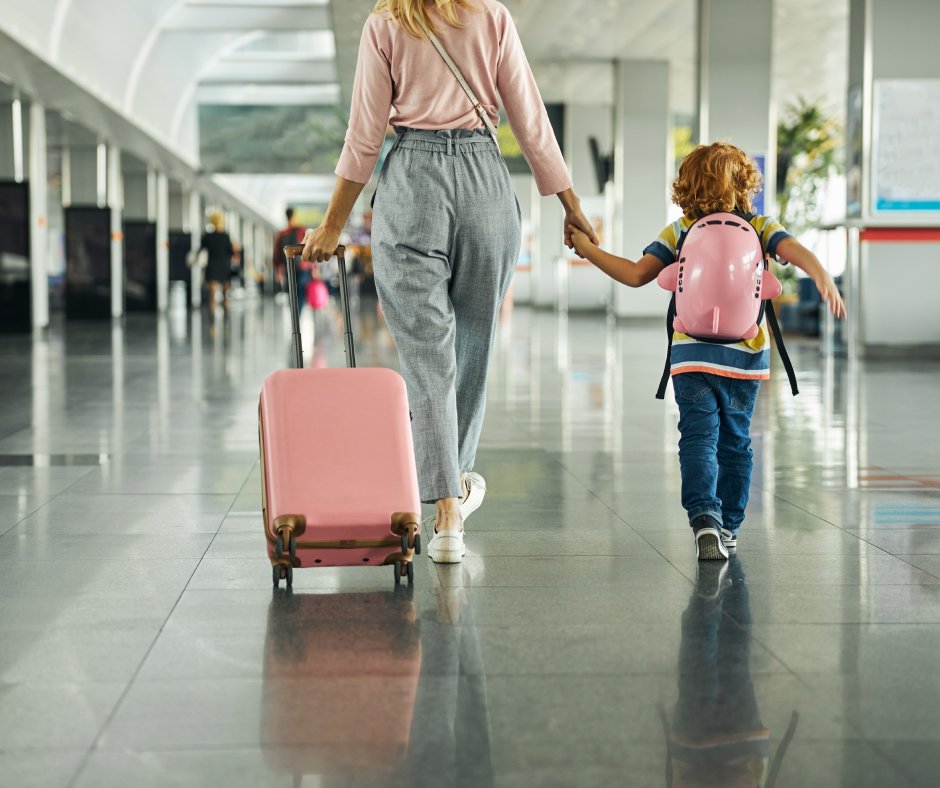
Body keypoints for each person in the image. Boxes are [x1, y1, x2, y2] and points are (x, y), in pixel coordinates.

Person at [302, 0, 596, 563]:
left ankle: (444, 515)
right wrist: (570, 204)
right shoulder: (492, 16)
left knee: (427, 359)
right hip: (485, 181)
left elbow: (365, 135)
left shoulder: (386, 23)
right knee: (474, 344)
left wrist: (332, 224)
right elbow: (530, 119)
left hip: (412, 182)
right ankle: (453, 490)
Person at [570, 142, 846, 560]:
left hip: (690, 356)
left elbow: (634, 275)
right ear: (744, 185)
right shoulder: (759, 225)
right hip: (745, 358)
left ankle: (705, 519)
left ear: (688, 186)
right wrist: (822, 274)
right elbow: (794, 250)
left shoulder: (680, 229)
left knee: (697, 438)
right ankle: (730, 527)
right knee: (736, 443)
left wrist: (587, 248)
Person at [200, 211, 237, 313]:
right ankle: (226, 317)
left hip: (212, 266)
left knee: (212, 294)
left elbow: (201, 249)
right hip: (224, 266)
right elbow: (231, 252)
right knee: (225, 294)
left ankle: (212, 319)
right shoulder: (225, 236)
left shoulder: (207, 236)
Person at [273, 207, 308, 313]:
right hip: (303, 266)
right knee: (301, 292)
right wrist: (314, 267)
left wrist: (278, 270)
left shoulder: (282, 233)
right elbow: (308, 248)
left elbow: (277, 254)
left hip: (288, 266)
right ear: (294, 216)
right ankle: (299, 316)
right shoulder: (302, 230)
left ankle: (294, 315)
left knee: (291, 291)